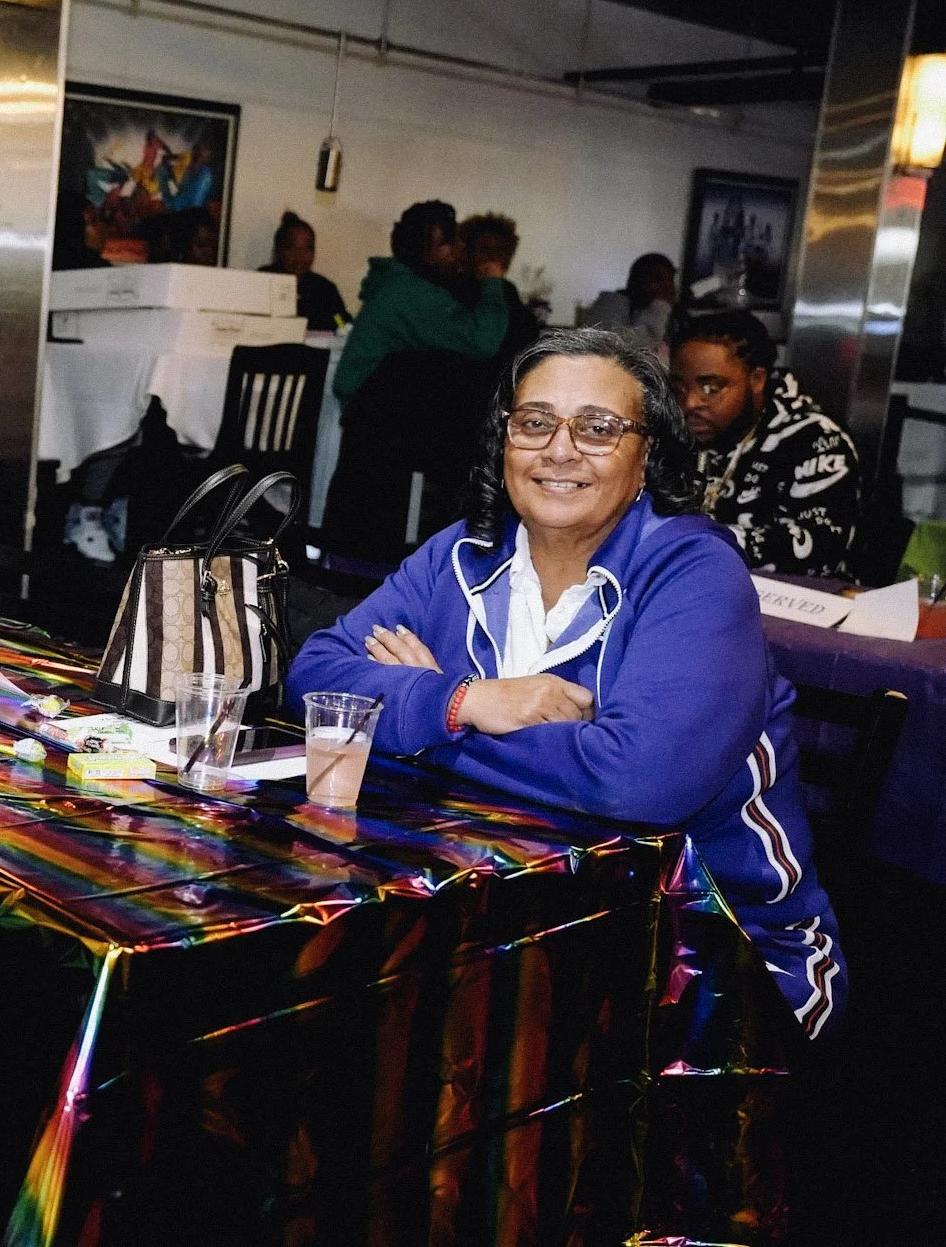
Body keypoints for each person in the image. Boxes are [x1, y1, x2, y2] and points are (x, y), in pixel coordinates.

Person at [290, 328, 844, 1039]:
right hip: (510, 928)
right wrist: (467, 700)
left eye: (598, 428)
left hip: (711, 957)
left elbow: (635, 783)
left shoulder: (694, 574)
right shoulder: (459, 554)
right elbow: (314, 678)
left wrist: (424, 730)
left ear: (648, 454)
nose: (559, 448)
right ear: (504, 441)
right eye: (535, 422)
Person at [321, 200, 508, 561]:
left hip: (374, 405)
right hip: (373, 407)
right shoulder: (411, 294)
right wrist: (494, 286)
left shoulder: (399, 285)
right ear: (424, 248)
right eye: (446, 243)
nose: (455, 252)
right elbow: (481, 341)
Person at [670, 309, 861, 577]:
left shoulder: (814, 439)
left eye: (711, 388)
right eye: (679, 388)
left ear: (757, 380)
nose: (690, 403)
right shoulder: (674, 433)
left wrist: (696, 541)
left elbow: (821, 547)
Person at [458, 211, 541, 365]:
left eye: (500, 250)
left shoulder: (507, 290)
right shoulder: (455, 289)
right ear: (468, 252)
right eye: (484, 249)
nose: (493, 256)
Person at [260, 210, 349, 331]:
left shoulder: (325, 290)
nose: (300, 255)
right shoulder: (259, 282)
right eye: (291, 247)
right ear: (277, 250)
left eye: (308, 248)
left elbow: (341, 322)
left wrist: (343, 326)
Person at [583, 253, 677, 351]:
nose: (667, 286)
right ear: (638, 280)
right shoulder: (611, 306)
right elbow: (623, 348)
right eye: (657, 279)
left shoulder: (671, 314)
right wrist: (660, 306)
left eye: (670, 280)